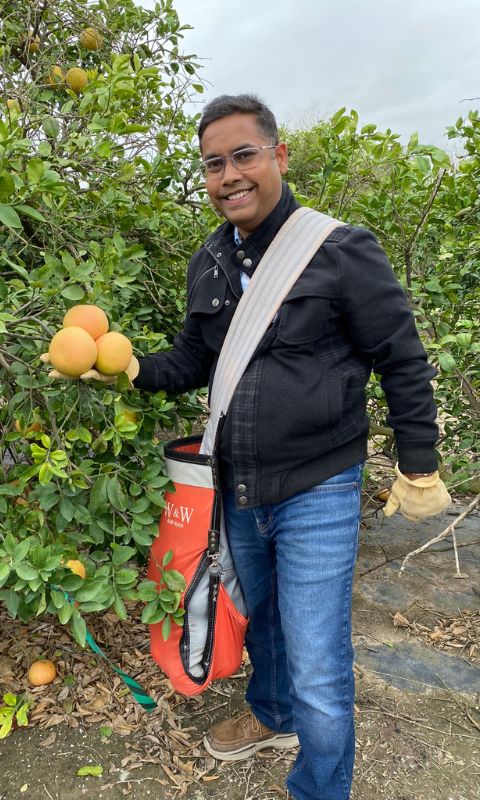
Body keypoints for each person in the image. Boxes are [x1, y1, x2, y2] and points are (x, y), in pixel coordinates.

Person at [45, 94, 451, 800]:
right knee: (258, 614)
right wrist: (126, 365)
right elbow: (193, 363)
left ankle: (319, 788)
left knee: (319, 654)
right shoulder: (209, 260)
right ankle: (272, 712)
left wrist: (418, 464)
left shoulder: (338, 249)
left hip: (319, 485)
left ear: (278, 156)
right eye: (213, 164)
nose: (228, 174)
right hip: (236, 483)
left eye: (243, 155)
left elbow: (402, 356)